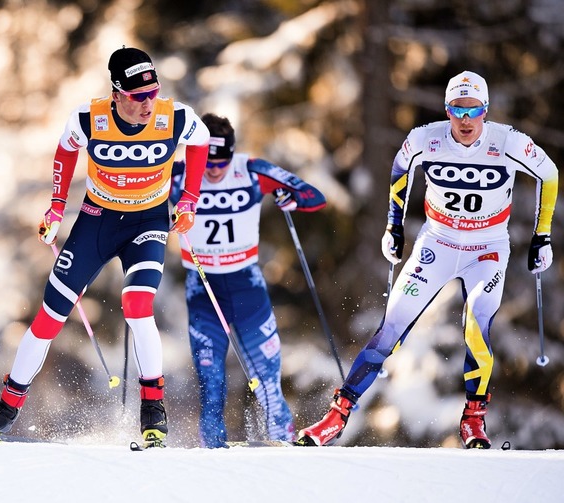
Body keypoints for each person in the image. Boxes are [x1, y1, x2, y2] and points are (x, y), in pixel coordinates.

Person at [0, 47, 209, 447]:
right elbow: (66, 149)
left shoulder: (174, 116)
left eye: (153, 93)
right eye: (139, 96)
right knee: (50, 315)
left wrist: (189, 200)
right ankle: (4, 410)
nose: (148, 104)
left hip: (148, 222)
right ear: (118, 93)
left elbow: (201, 141)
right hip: (97, 221)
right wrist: (56, 207)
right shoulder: (90, 118)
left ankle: (153, 411)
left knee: (138, 304)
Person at [297, 71, 558, 449]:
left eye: (474, 110)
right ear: (447, 109)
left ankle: (473, 419)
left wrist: (542, 235)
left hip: (487, 248)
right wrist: (394, 227)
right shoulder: (426, 138)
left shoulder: (508, 142)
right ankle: (336, 417)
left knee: (476, 321)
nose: (465, 120)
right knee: (391, 328)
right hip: (439, 243)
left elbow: (548, 174)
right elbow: (400, 169)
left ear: (486, 110)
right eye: (457, 109)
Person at [170, 113, 327, 448]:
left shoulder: (251, 170)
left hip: (247, 289)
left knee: (268, 384)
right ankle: (213, 464)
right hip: (203, 292)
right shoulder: (179, 175)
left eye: (221, 160)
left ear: (232, 152)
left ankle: (284, 452)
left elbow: (314, 196)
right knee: (211, 386)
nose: (213, 169)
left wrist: (291, 198)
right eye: (208, 161)